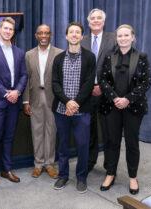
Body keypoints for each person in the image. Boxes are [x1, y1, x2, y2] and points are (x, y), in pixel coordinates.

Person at [99, 24, 151, 195]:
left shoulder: (141, 57)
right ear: (116, 39)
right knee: (112, 142)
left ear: (133, 37)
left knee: (132, 142)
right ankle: (110, 173)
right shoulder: (108, 57)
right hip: (111, 106)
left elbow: (146, 83)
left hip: (133, 107)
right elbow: (103, 80)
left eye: (126, 35)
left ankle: (133, 177)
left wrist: (128, 99)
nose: (122, 38)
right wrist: (115, 98)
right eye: (119, 36)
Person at [0, 17, 28, 187]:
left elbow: (24, 75)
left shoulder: (19, 52)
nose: (8, 31)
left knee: (9, 136)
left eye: (11, 29)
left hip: (14, 101)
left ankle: (6, 169)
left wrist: (17, 91)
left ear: (13, 32)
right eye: (5, 28)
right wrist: (5, 93)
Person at [52, 22, 96, 193]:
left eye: (78, 32)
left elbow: (88, 83)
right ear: (66, 36)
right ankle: (63, 176)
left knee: (82, 145)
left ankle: (81, 178)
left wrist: (75, 102)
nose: (75, 35)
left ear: (82, 36)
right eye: (71, 32)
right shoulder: (58, 58)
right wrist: (67, 102)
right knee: (63, 145)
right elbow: (55, 84)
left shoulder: (89, 57)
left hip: (82, 110)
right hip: (62, 111)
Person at [23, 24, 63, 179]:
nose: (44, 35)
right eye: (41, 33)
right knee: (37, 131)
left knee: (51, 131)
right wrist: (25, 101)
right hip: (35, 97)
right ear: (36, 35)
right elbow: (25, 79)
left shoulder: (59, 53)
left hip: (53, 97)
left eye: (47, 33)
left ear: (51, 35)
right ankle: (38, 164)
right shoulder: (29, 55)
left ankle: (50, 164)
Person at [81, 8, 116, 173]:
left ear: (103, 21)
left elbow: (117, 67)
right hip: (87, 93)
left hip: (107, 93)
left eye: (99, 18)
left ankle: (110, 168)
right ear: (88, 23)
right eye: (92, 18)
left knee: (109, 132)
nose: (95, 20)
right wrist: (90, 87)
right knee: (89, 131)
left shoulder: (113, 39)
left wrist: (102, 86)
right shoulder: (82, 40)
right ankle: (90, 161)